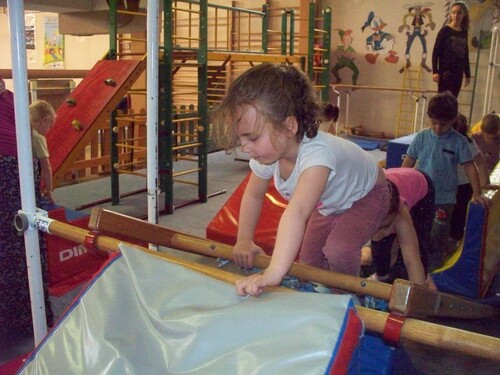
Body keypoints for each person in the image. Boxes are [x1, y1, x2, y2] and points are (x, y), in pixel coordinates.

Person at [211, 63, 390, 297]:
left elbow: (297, 212)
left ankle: (349, 298)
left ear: (289, 126)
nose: (245, 148)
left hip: (367, 194)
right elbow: (254, 194)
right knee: (308, 260)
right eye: (242, 139)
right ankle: (324, 291)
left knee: (338, 250)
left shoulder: (317, 155)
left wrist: (274, 272)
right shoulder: (271, 153)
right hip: (330, 204)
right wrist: (244, 239)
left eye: (252, 138)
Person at [401, 91, 490, 271]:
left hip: (444, 199)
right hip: (420, 196)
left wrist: (478, 193)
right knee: (415, 230)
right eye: (434, 123)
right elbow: (408, 163)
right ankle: (412, 263)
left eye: (443, 124)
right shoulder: (422, 137)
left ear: (453, 120)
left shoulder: (459, 142)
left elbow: (470, 166)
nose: (438, 128)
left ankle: (434, 268)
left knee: (438, 234)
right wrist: (399, 188)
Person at [0, 78, 53, 341]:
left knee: (16, 240)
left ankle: (21, 317)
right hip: (16, 170)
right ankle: (26, 315)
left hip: (11, 170)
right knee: (20, 240)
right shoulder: (11, 100)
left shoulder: (10, 101)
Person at [367, 168, 434, 286]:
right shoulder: (361, 210)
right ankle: (382, 276)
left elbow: (412, 261)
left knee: (417, 244)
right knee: (381, 246)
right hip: (392, 182)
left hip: (421, 186)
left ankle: (425, 279)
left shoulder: (401, 215)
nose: (381, 232)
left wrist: (418, 293)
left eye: (386, 226)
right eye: (376, 227)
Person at [450, 113, 490, 243]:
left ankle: (455, 238)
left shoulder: (467, 142)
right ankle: (448, 237)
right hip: (446, 184)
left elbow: (480, 162)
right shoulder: (442, 141)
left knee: (459, 214)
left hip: (463, 185)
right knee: (447, 214)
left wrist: (485, 184)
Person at [431, 1, 471, 98]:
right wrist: (435, 71)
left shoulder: (463, 32)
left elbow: (465, 54)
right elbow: (436, 52)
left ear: (463, 15)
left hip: (458, 71)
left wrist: (468, 74)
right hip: (445, 71)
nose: (456, 15)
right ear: (451, 14)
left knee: (453, 98)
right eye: (453, 12)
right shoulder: (444, 31)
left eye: (459, 13)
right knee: (443, 98)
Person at [30, 100, 56, 205]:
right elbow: (46, 166)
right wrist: (49, 190)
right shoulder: (38, 138)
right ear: (44, 120)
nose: (49, 130)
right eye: (50, 126)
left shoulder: (19, 131)